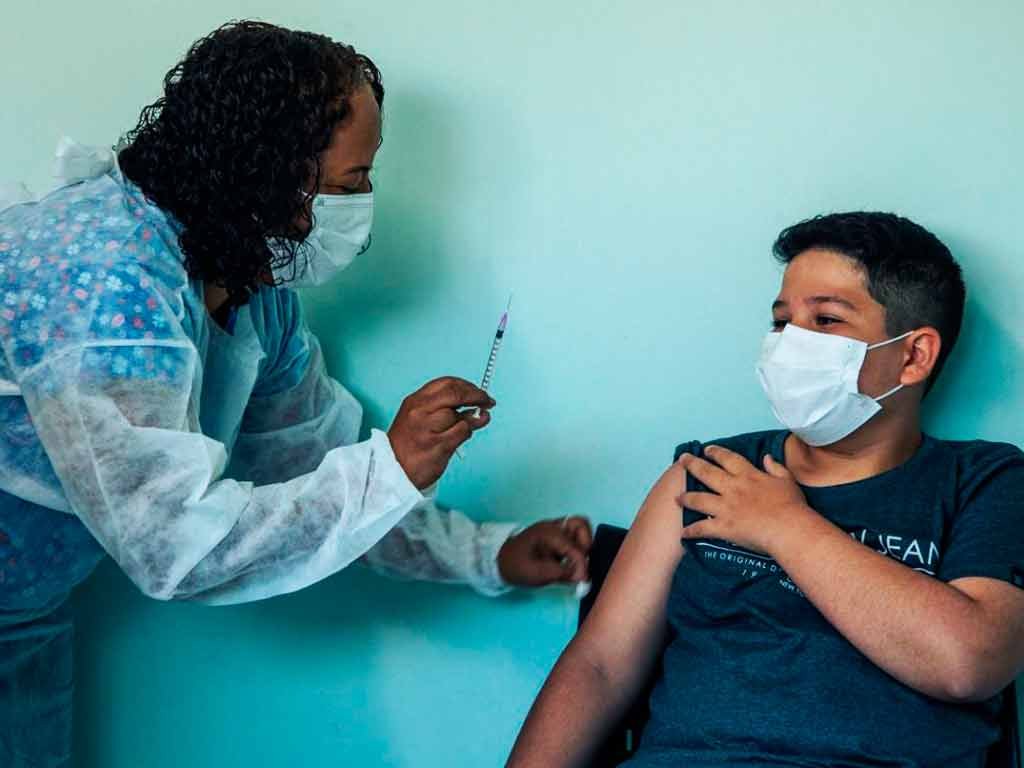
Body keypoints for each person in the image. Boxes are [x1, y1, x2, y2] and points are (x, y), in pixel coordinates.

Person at [0, 21, 592, 768]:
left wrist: (488, 553)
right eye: (350, 182)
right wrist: (390, 467)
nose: (364, 202)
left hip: (24, 614)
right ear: (261, 170)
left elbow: (314, 464)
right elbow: (172, 545)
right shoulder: (105, 282)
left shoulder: (255, 297)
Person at [508, 212, 1024, 768]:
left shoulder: (984, 481)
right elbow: (599, 667)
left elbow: (968, 664)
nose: (791, 343)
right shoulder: (711, 472)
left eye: (826, 319)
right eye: (782, 322)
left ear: (914, 355)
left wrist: (785, 527)